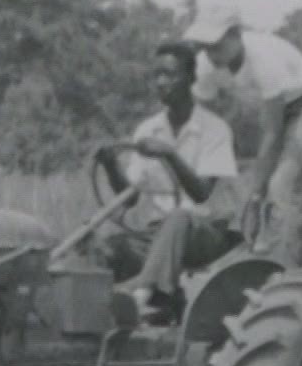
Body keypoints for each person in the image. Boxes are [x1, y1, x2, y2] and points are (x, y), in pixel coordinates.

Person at [95, 42, 242, 322]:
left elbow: (201, 194)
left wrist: (170, 154)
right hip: (157, 233)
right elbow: (130, 197)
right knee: (104, 245)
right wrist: (111, 165)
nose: (161, 83)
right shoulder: (148, 129)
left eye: (170, 75)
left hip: (204, 232)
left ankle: (142, 297)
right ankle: (92, 316)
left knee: (179, 217)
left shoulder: (215, 129)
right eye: (157, 75)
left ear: (191, 78)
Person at [183, 8, 302, 267]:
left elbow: (272, 132)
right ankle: (272, 260)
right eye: (205, 47)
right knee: (241, 185)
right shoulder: (206, 66)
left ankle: (284, 270)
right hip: (265, 107)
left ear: (236, 35)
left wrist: (255, 198)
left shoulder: (262, 60)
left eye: (216, 45)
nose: (211, 54)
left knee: (281, 187)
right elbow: (199, 124)